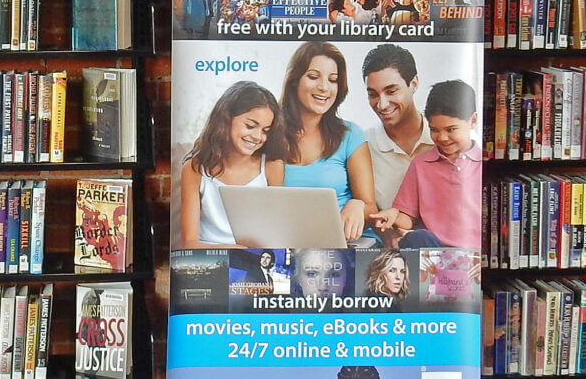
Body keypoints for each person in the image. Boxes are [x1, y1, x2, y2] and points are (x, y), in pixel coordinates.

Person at [277, 42, 376, 242]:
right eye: (313, 77)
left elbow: (370, 207)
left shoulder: (350, 135)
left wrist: (357, 205)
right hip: (288, 240)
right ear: (294, 81)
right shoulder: (269, 134)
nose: (324, 87)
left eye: (333, 80)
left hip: (343, 241)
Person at [180, 81, 285, 248]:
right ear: (226, 119)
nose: (258, 136)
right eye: (250, 126)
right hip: (208, 259)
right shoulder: (194, 169)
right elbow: (189, 242)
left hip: (254, 261)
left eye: (265, 130)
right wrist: (236, 251)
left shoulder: (272, 167)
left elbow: (276, 233)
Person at [385, 80, 483, 249]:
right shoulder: (421, 165)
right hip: (434, 253)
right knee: (418, 237)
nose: (442, 137)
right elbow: (407, 218)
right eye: (434, 130)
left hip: (476, 256)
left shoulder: (484, 164)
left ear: (473, 121)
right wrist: (393, 216)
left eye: (451, 129)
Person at [360, 45, 435, 235]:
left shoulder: (447, 138)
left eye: (391, 91)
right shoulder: (363, 146)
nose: (382, 105)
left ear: (414, 83)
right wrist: (385, 234)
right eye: (373, 94)